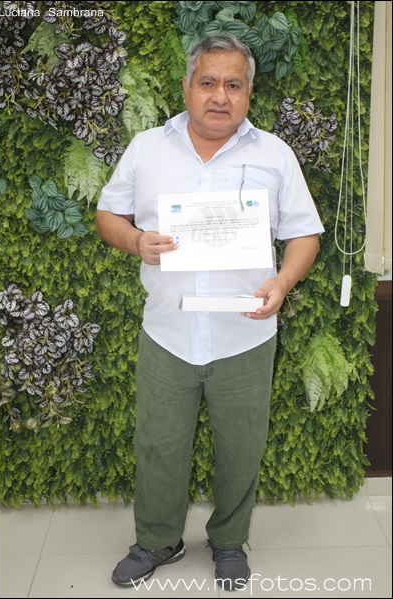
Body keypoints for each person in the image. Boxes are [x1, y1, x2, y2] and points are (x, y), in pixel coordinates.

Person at [95, 34, 324, 591]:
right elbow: (107, 214)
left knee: (242, 448)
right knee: (158, 446)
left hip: (245, 335)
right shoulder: (148, 148)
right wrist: (136, 240)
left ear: (248, 93)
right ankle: (157, 540)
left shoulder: (274, 155)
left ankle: (228, 542)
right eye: (208, 82)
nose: (220, 96)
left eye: (233, 84)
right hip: (168, 332)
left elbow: (304, 233)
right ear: (187, 87)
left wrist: (283, 281)